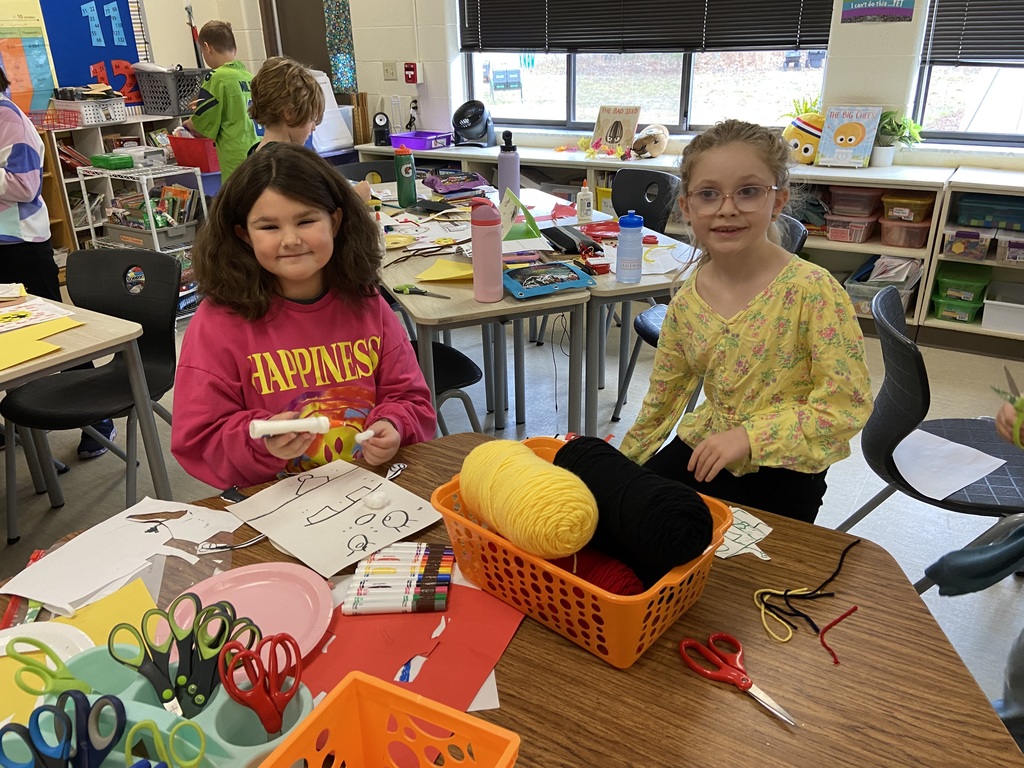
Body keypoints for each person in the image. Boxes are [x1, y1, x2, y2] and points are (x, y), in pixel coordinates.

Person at [620, 119, 873, 524]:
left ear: (778, 200)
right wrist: (621, 467)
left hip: (786, 469)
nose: (727, 208)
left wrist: (750, 438)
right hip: (708, 447)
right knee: (630, 521)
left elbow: (846, 406)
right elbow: (662, 400)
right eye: (708, 194)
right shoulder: (688, 300)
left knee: (738, 579)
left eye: (749, 191)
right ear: (686, 207)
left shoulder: (813, 292)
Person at [170, 142, 436, 489]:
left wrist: (395, 424)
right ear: (243, 235)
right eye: (269, 227)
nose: (291, 240)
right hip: (272, 503)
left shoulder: (368, 305)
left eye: (307, 220)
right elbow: (198, 439)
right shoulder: (217, 323)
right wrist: (261, 442)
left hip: (372, 494)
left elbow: (411, 400)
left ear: (336, 221)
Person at [0, 65, 115, 459]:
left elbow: (23, 184)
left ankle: (97, 417)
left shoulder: (7, 118)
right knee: (10, 341)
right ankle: (24, 436)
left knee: (59, 334)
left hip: (21, 246)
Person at [246, 56, 372, 202]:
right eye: (311, 119)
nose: (313, 127)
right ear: (289, 113)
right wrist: (355, 198)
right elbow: (316, 213)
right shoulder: (285, 164)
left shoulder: (255, 155)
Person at [184, 20, 257, 182]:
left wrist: (189, 123)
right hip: (259, 152)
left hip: (236, 158)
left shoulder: (216, 78)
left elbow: (202, 126)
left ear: (207, 47)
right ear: (235, 48)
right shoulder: (251, 78)